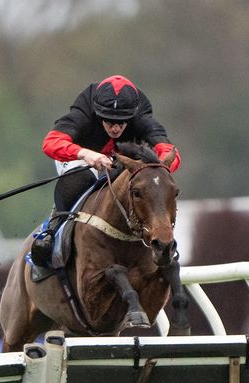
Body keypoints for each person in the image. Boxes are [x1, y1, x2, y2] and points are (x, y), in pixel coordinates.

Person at [30, 74, 181, 267]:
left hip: (122, 161)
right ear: (98, 113)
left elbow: (170, 153)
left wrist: (154, 168)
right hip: (80, 158)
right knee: (79, 179)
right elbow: (51, 143)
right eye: (109, 121)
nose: (116, 128)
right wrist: (85, 154)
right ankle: (53, 230)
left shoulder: (141, 114)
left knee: (145, 187)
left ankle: (159, 241)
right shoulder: (85, 107)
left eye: (122, 122)